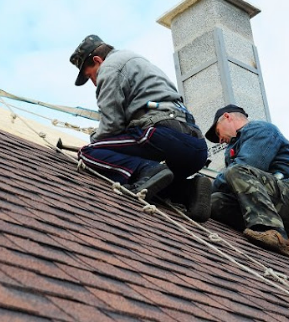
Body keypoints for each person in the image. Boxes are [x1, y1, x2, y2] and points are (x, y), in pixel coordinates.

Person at [69, 34, 211, 222]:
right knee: (151, 183)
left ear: (97, 60)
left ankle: (149, 170)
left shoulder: (110, 67)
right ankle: (188, 191)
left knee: (89, 153)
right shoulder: (138, 61)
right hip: (196, 147)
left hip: (161, 133)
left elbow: (111, 125)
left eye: (90, 75)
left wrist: (96, 141)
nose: (94, 82)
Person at [205, 104, 289, 256]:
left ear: (227, 117)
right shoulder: (235, 146)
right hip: (274, 202)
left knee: (236, 170)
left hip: (285, 193)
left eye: (218, 132)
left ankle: (273, 232)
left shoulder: (261, 129)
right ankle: (270, 228)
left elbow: (247, 165)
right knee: (215, 202)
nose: (220, 140)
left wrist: (204, 189)